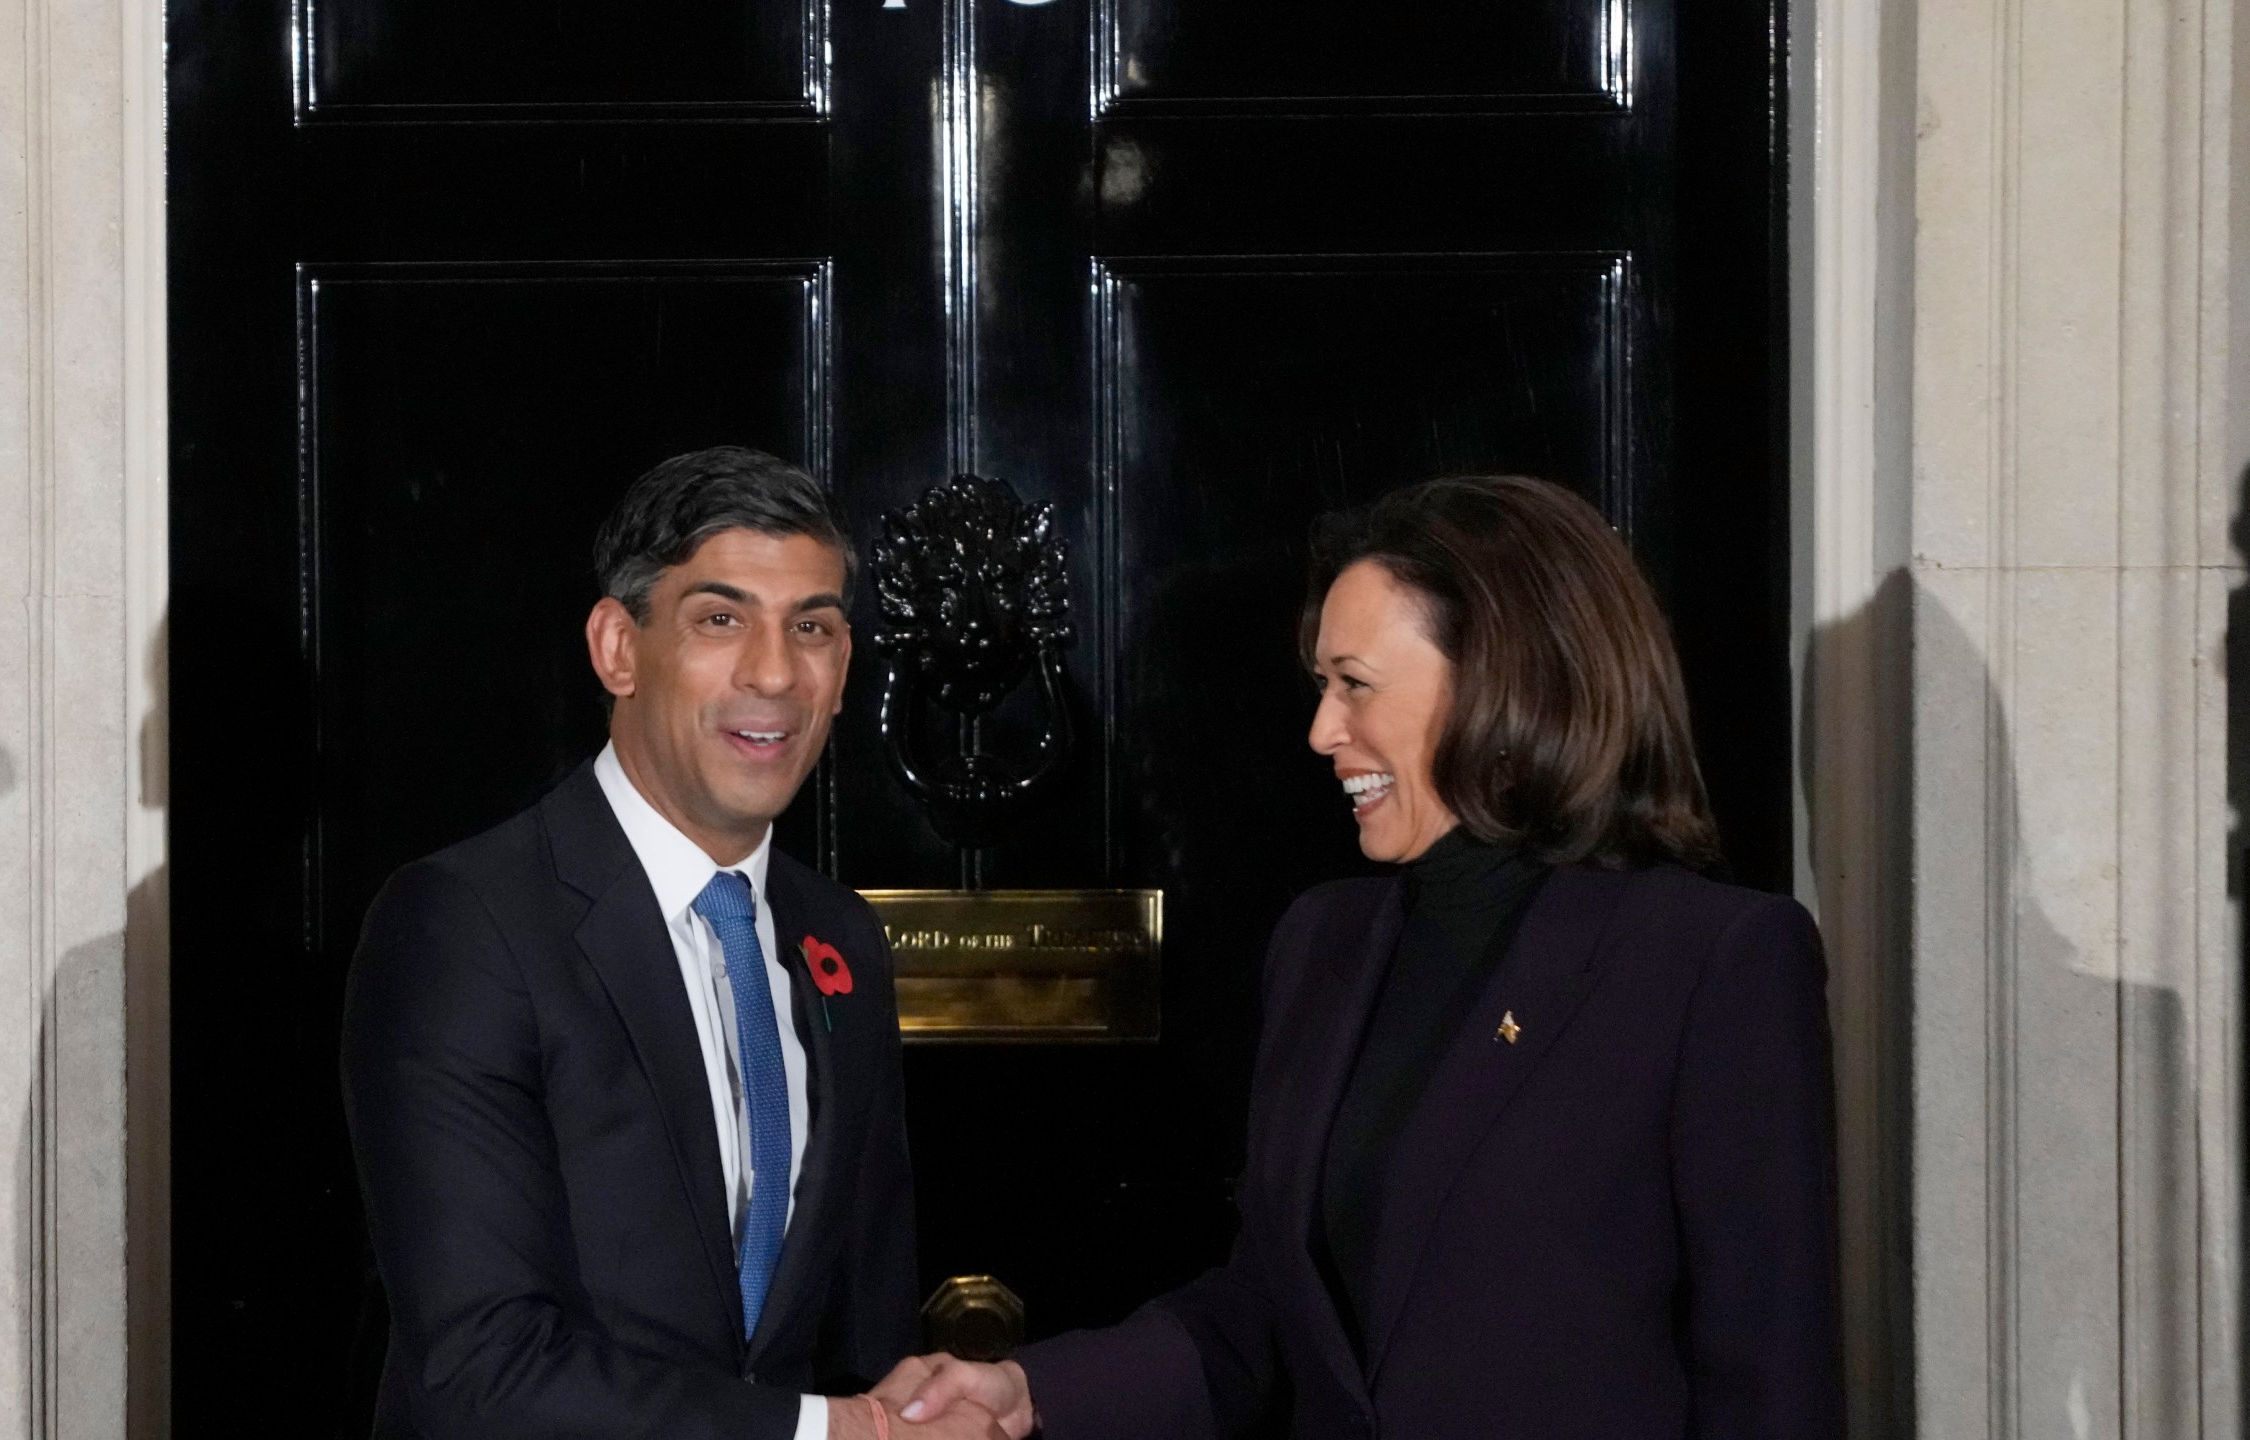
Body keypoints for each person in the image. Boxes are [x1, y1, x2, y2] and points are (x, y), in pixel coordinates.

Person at [877, 475, 1841, 1439]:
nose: (1322, 731)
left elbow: (1770, 1382)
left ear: (1503, 675)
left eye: (1355, 684)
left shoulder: (1713, 961)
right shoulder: (1324, 944)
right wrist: (1032, 1392)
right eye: (1321, 687)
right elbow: (1261, 1321)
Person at [345, 447, 1001, 1440]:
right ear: (617, 647)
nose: (774, 673)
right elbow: (481, 1370)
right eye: (720, 620)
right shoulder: (463, 925)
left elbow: (864, 1324)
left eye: (812, 627)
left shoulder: (840, 938)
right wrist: (838, 1433)